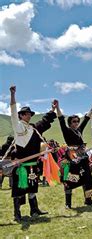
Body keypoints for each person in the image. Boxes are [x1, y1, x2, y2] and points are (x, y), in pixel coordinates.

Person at [9, 85, 57, 222]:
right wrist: (13, 94)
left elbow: (45, 121)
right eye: (26, 114)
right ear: (20, 116)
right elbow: (12, 111)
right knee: (19, 190)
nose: (29, 115)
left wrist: (52, 110)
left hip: (32, 165)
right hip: (21, 165)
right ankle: (17, 213)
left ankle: (34, 210)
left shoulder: (34, 128)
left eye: (30, 114)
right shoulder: (18, 127)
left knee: (32, 188)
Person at [56, 102, 92, 208]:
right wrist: (57, 107)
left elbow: (87, 118)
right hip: (71, 156)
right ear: (70, 123)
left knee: (86, 177)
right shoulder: (66, 131)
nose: (76, 123)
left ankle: (88, 200)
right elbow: (61, 119)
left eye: (77, 121)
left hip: (82, 156)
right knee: (70, 178)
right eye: (74, 121)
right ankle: (68, 203)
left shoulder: (79, 130)